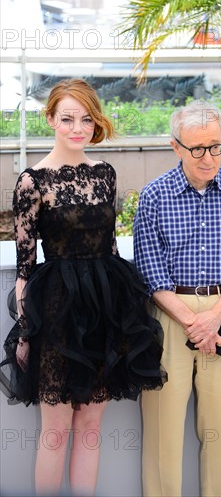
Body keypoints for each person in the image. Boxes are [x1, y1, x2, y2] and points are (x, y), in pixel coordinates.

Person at [2, 78, 167, 496]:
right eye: (68, 119)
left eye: (86, 119)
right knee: (55, 431)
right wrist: (25, 332)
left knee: (90, 424)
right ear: (51, 120)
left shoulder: (105, 174)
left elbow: (110, 248)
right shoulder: (31, 182)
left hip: (104, 309)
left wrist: (123, 316)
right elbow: (25, 267)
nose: (78, 128)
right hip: (56, 313)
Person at [133, 100, 221, 497]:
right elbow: (150, 273)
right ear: (176, 147)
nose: (209, 157)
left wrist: (215, 317)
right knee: (162, 434)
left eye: (216, 145)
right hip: (171, 315)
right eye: (198, 148)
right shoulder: (154, 196)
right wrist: (194, 322)